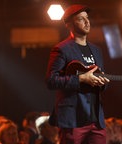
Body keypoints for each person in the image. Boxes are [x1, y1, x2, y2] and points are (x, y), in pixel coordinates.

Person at [45, 4, 110, 144]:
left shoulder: (96, 50)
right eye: (81, 19)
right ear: (69, 24)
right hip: (73, 118)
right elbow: (51, 80)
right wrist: (81, 79)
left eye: (87, 18)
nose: (87, 22)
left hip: (96, 119)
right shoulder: (61, 49)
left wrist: (103, 83)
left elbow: (100, 83)